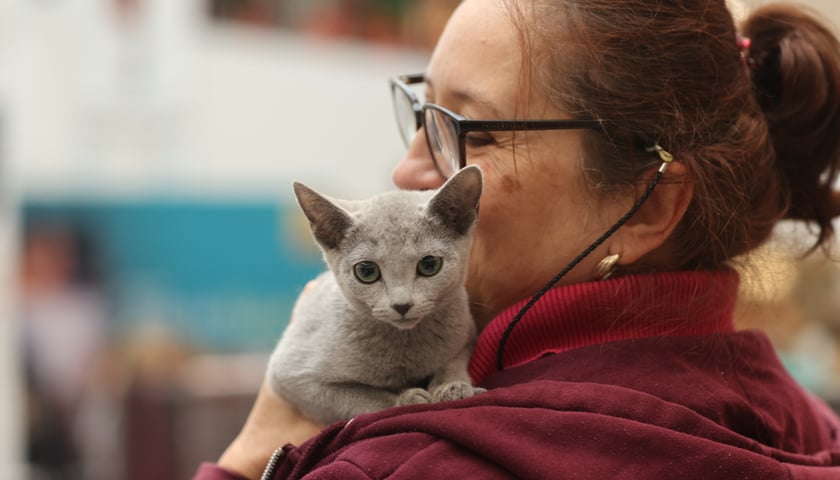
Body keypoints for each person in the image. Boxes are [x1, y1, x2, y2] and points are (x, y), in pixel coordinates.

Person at [195, 0, 840, 478]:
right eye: (422, 113)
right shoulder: (814, 427)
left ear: (650, 207)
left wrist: (250, 459)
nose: (408, 171)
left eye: (469, 130)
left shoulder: (406, 463)